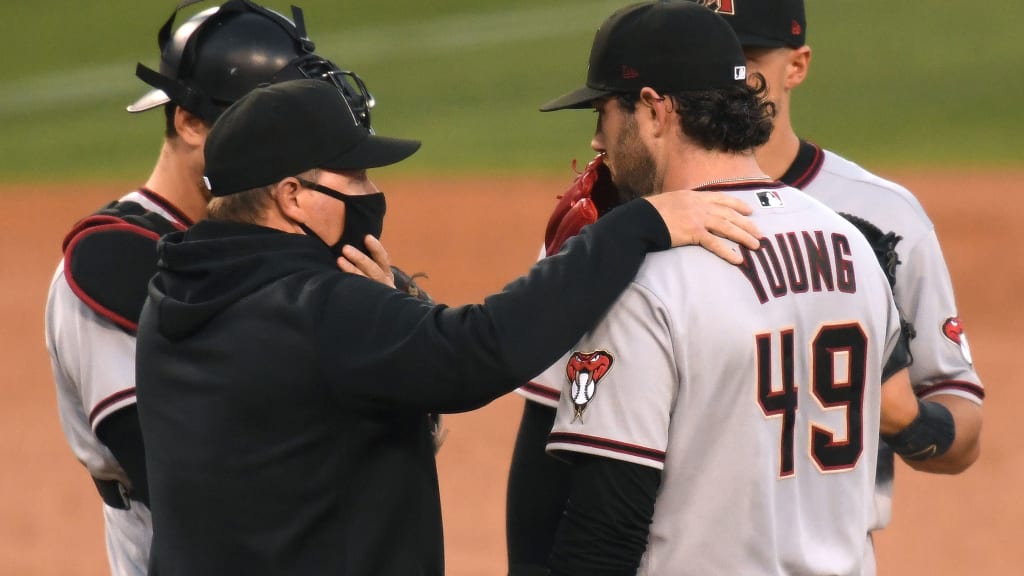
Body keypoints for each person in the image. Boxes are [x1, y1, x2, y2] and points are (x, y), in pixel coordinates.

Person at [133, 77, 765, 575]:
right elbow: (481, 348)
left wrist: (393, 332)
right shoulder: (321, 311)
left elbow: (304, 411)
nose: (371, 190)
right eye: (353, 176)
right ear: (292, 196)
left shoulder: (170, 299)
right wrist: (639, 222)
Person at [507, 1, 984, 573]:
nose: (596, 141)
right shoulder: (854, 245)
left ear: (654, 112)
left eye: (604, 114)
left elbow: (605, 529)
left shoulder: (640, 276)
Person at [43, 1, 366, 573]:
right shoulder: (109, 269)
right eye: (264, 116)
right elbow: (179, 473)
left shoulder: (289, 229)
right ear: (190, 121)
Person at [692, 0, 984, 566]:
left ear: (796, 66)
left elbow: (964, 428)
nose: (723, 77)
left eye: (745, 56)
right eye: (706, 55)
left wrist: (908, 419)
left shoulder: (884, 215)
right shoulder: (628, 212)